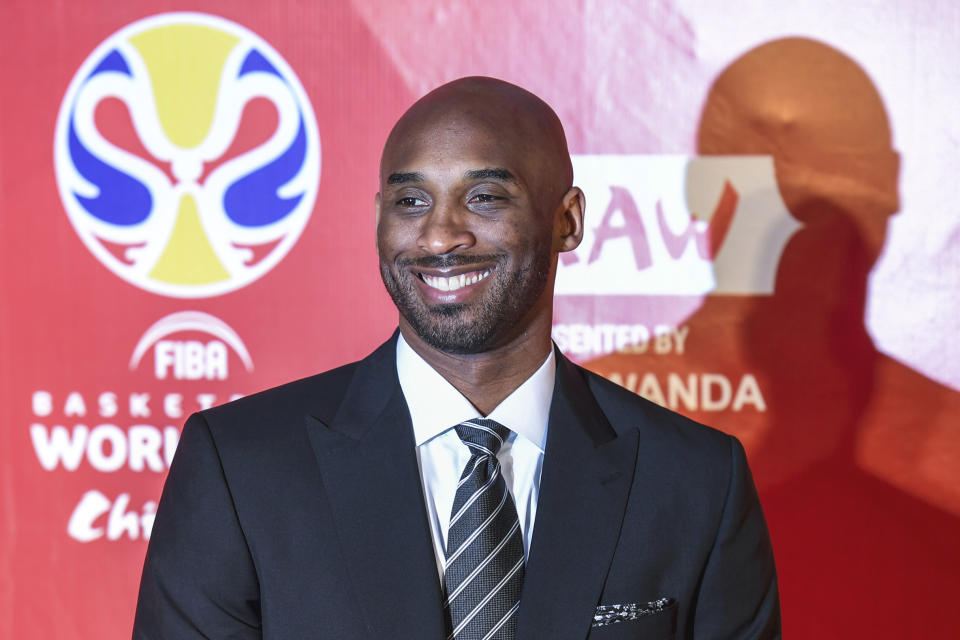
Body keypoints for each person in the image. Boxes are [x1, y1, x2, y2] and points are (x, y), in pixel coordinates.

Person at [133, 77, 780, 639]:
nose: (440, 235)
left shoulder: (695, 481)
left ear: (568, 220)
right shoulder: (240, 467)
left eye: (485, 198)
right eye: (411, 201)